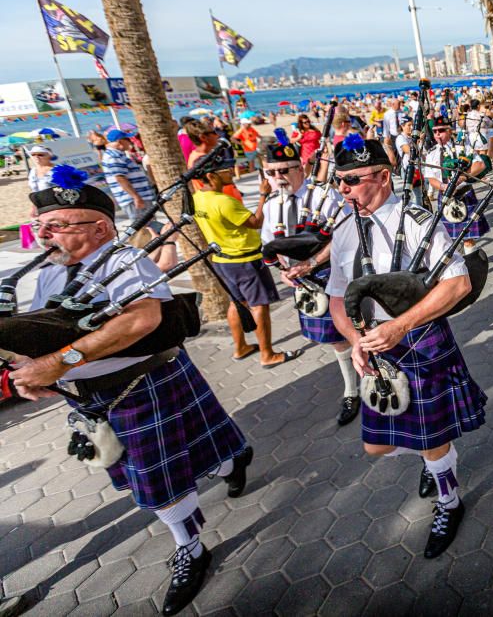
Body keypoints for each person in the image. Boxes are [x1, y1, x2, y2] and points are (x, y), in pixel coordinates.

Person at [11, 174, 253, 616]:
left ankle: (191, 547)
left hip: (145, 385)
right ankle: (231, 459)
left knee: (158, 480)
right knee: (147, 471)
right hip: (90, 395)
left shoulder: (125, 262)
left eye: (57, 225)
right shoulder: (49, 271)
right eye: (39, 224)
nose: (43, 233)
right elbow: (51, 332)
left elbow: (138, 322)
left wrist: (56, 364)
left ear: (99, 228)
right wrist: (35, 372)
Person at [326, 136, 487, 558]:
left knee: (432, 439)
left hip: (419, 339)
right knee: (375, 445)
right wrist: (355, 338)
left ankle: (449, 501)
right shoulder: (343, 229)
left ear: (382, 177)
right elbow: (338, 296)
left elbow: (459, 283)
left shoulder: (418, 219)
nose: (342, 190)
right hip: (375, 347)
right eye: (337, 181)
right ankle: (432, 457)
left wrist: (400, 325)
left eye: (351, 181)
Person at [259, 138, 361, 425]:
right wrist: (282, 270)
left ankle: (377, 376)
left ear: (301, 167)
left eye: (286, 170)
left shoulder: (324, 197)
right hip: (305, 283)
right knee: (336, 340)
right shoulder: (270, 206)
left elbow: (345, 234)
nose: (279, 178)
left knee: (358, 329)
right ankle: (352, 390)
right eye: (272, 172)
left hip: (335, 271)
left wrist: (313, 262)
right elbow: (270, 244)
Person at [192, 154, 299, 368]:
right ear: (211, 176)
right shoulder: (223, 201)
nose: (232, 171)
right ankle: (267, 354)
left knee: (236, 302)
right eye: (225, 169)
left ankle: (240, 347)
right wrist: (262, 196)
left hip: (222, 259)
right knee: (259, 306)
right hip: (245, 260)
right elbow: (256, 222)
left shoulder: (198, 198)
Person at [423, 117, 491, 255]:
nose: (437, 134)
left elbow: (480, 165)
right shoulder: (432, 153)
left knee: (468, 238)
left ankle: (472, 264)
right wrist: (442, 187)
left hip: (465, 194)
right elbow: (431, 178)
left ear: (449, 131)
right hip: (446, 197)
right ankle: (459, 264)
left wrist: (462, 177)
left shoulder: (463, 148)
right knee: (449, 238)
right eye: (435, 131)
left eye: (441, 131)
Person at [101, 129, 156, 220]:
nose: (131, 142)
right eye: (128, 139)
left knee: (148, 224)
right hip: (133, 199)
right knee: (143, 225)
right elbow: (120, 178)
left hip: (138, 197)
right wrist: (136, 197)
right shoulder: (114, 157)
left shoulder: (117, 155)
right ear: (120, 141)